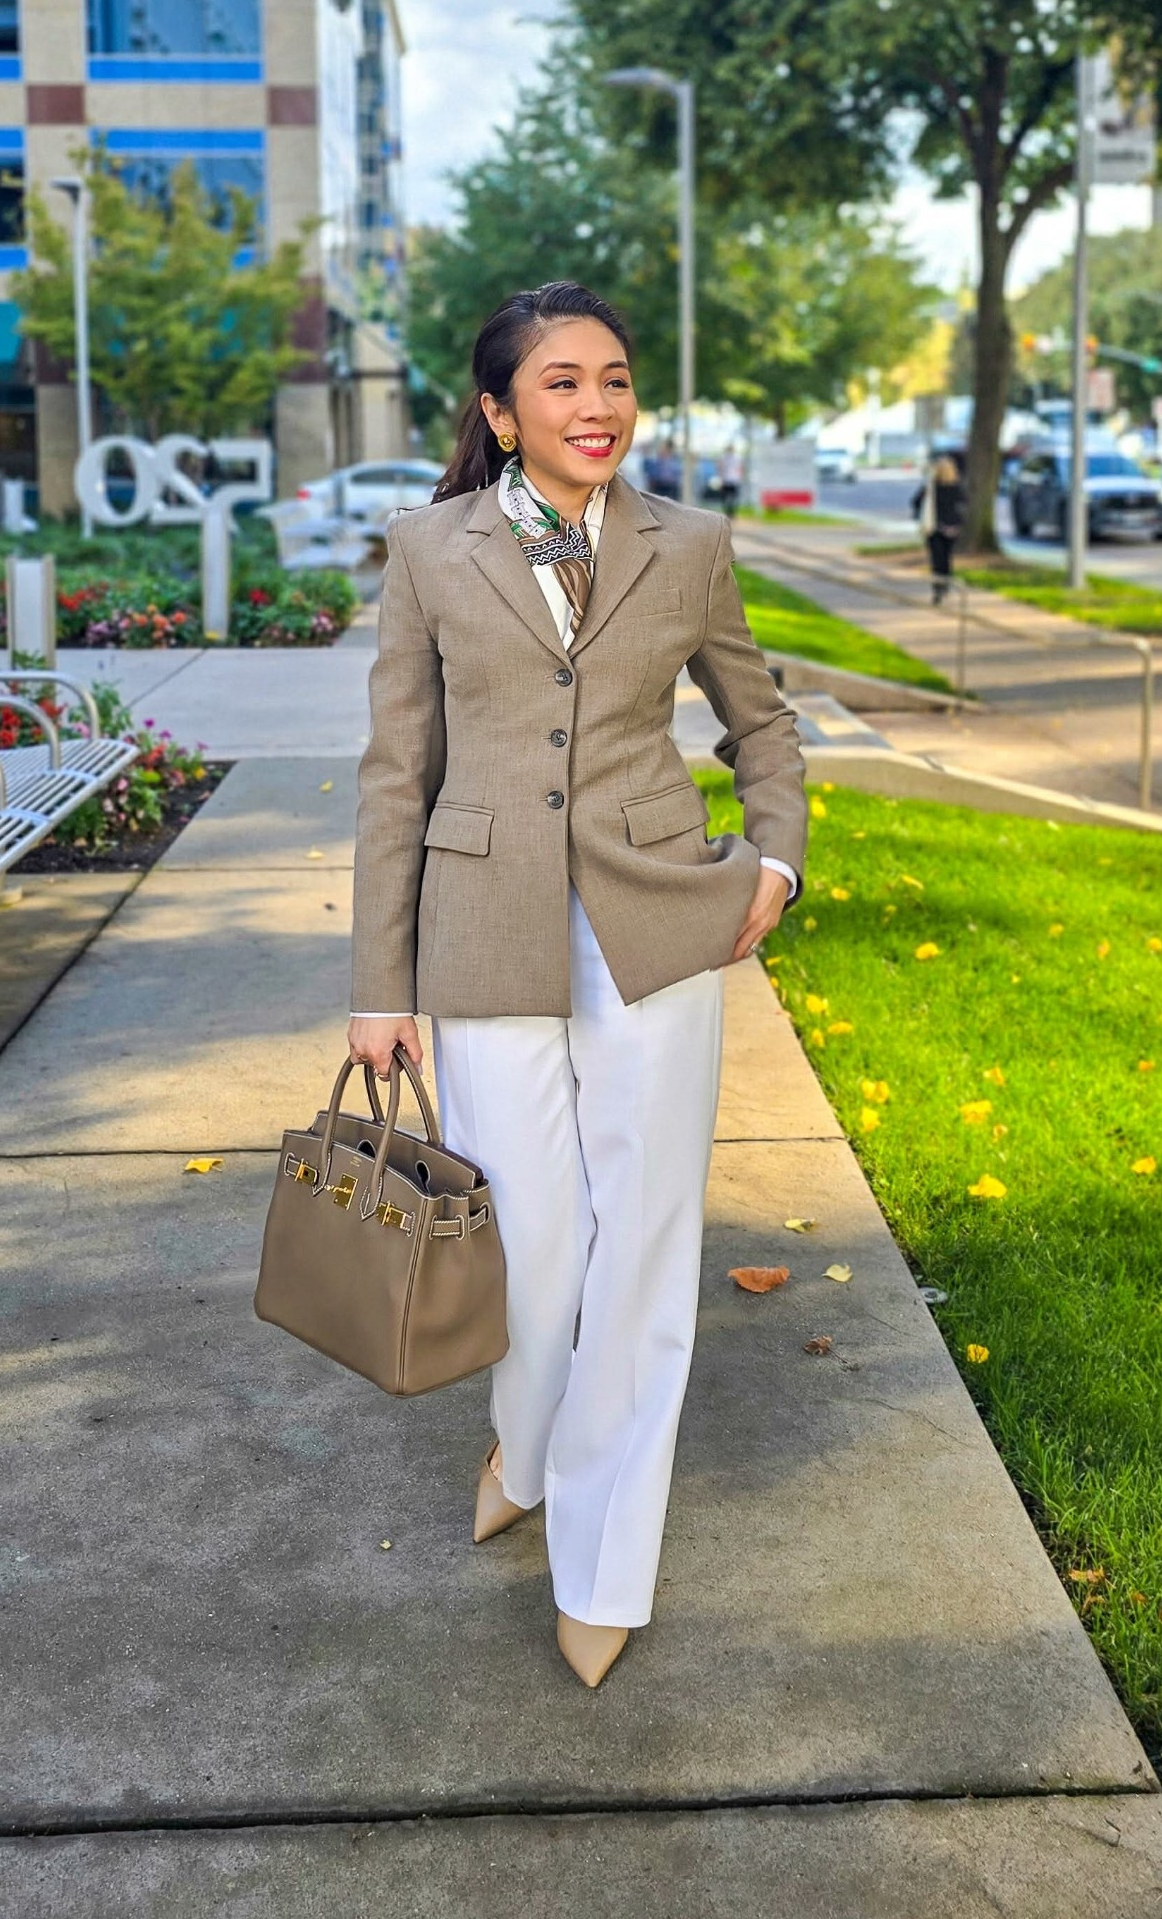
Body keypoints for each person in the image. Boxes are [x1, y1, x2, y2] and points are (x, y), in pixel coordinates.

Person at [347, 281, 807, 1689]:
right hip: (485, 930)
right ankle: (530, 1443)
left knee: (649, 1249)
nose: (595, 406)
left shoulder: (691, 545)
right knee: (534, 1254)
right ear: (500, 412)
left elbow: (762, 721)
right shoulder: (431, 550)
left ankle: (605, 1566)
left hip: (663, 922)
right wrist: (379, 981)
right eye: (560, 383)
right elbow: (395, 772)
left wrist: (773, 868)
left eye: (612, 379)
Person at [911, 453, 965, 605]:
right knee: (947, 558)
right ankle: (946, 583)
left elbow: (915, 502)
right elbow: (963, 506)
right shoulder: (957, 488)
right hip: (952, 529)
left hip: (935, 527)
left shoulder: (931, 488)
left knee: (936, 559)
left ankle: (938, 588)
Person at [711, 443, 742, 519]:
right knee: (729, 498)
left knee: (729, 498)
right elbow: (720, 468)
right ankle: (730, 513)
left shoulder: (732, 458)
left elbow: (719, 468)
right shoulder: (728, 458)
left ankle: (730, 513)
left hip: (730, 480)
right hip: (729, 480)